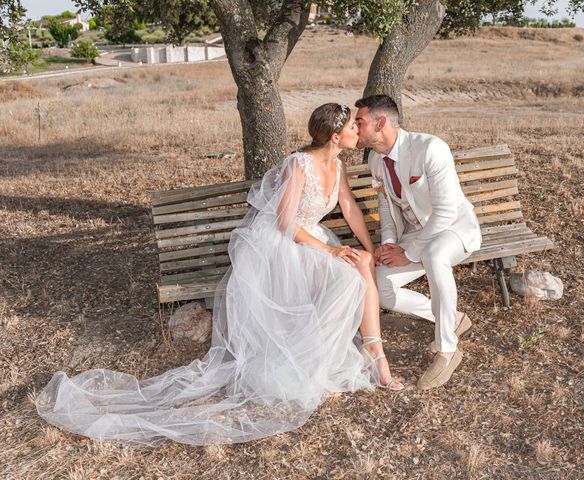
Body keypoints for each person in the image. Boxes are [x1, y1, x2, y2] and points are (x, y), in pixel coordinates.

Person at [35, 103, 402, 447]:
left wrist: (366, 247)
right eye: (354, 125)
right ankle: (321, 364)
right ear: (335, 136)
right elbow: (285, 222)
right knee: (344, 279)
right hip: (283, 245)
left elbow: (350, 206)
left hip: (314, 240)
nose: (359, 128)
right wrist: (330, 251)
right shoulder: (298, 165)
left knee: (356, 271)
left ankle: (366, 352)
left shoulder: (337, 165)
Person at [355, 95, 482, 390]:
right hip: (415, 234)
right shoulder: (376, 159)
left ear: (381, 122)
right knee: (381, 286)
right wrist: (388, 243)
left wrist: (410, 253)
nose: (356, 127)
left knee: (436, 256)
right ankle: (452, 318)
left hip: (454, 229)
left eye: (360, 121)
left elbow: (447, 211)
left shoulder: (430, 148)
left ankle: (447, 350)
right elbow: (386, 206)